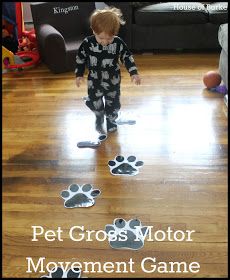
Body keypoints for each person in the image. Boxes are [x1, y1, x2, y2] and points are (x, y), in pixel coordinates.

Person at [75, 7, 141, 133]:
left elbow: (127, 57)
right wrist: (79, 74)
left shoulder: (118, 43)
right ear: (94, 31)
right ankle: (99, 116)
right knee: (95, 102)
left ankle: (111, 120)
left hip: (113, 81)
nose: (105, 42)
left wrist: (133, 72)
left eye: (109, 38)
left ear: (115, 33)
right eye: (101, 38)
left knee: (113, 103)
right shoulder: (87, 43)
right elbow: (80, 58)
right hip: (94, 80)